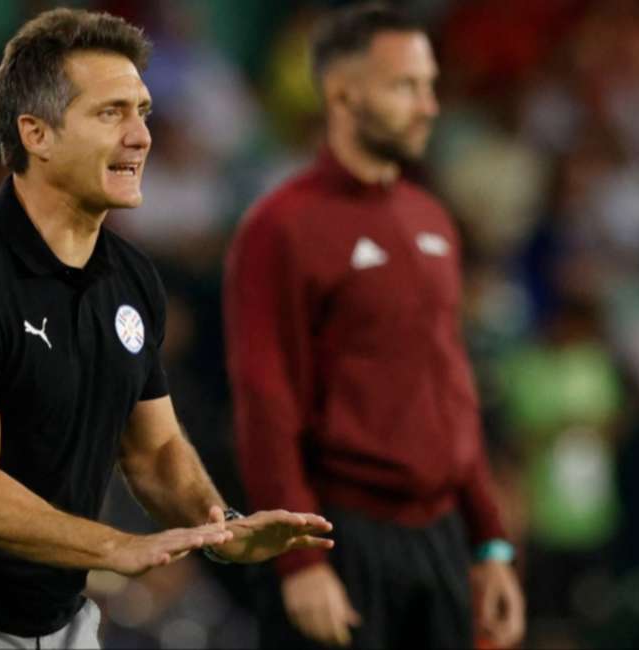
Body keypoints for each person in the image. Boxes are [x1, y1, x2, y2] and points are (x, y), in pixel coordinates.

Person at [0, 8, 333, 650]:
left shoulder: (131, 277)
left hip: (61, 623)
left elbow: (154, 450)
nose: (141, 137)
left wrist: (221, 529)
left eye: (143, 112)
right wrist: (113, 546)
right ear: (36, 133)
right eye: (111, 113)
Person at [223, 4, 526, 649]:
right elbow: (265, 402)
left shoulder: (432, 217)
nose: (429, 106)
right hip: (342, 537)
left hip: (440, 538)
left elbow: (453, 389)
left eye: (430, 85)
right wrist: (299, 559)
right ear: (342, 93)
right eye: (405, 86)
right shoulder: (280, 227)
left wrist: (490, 542)